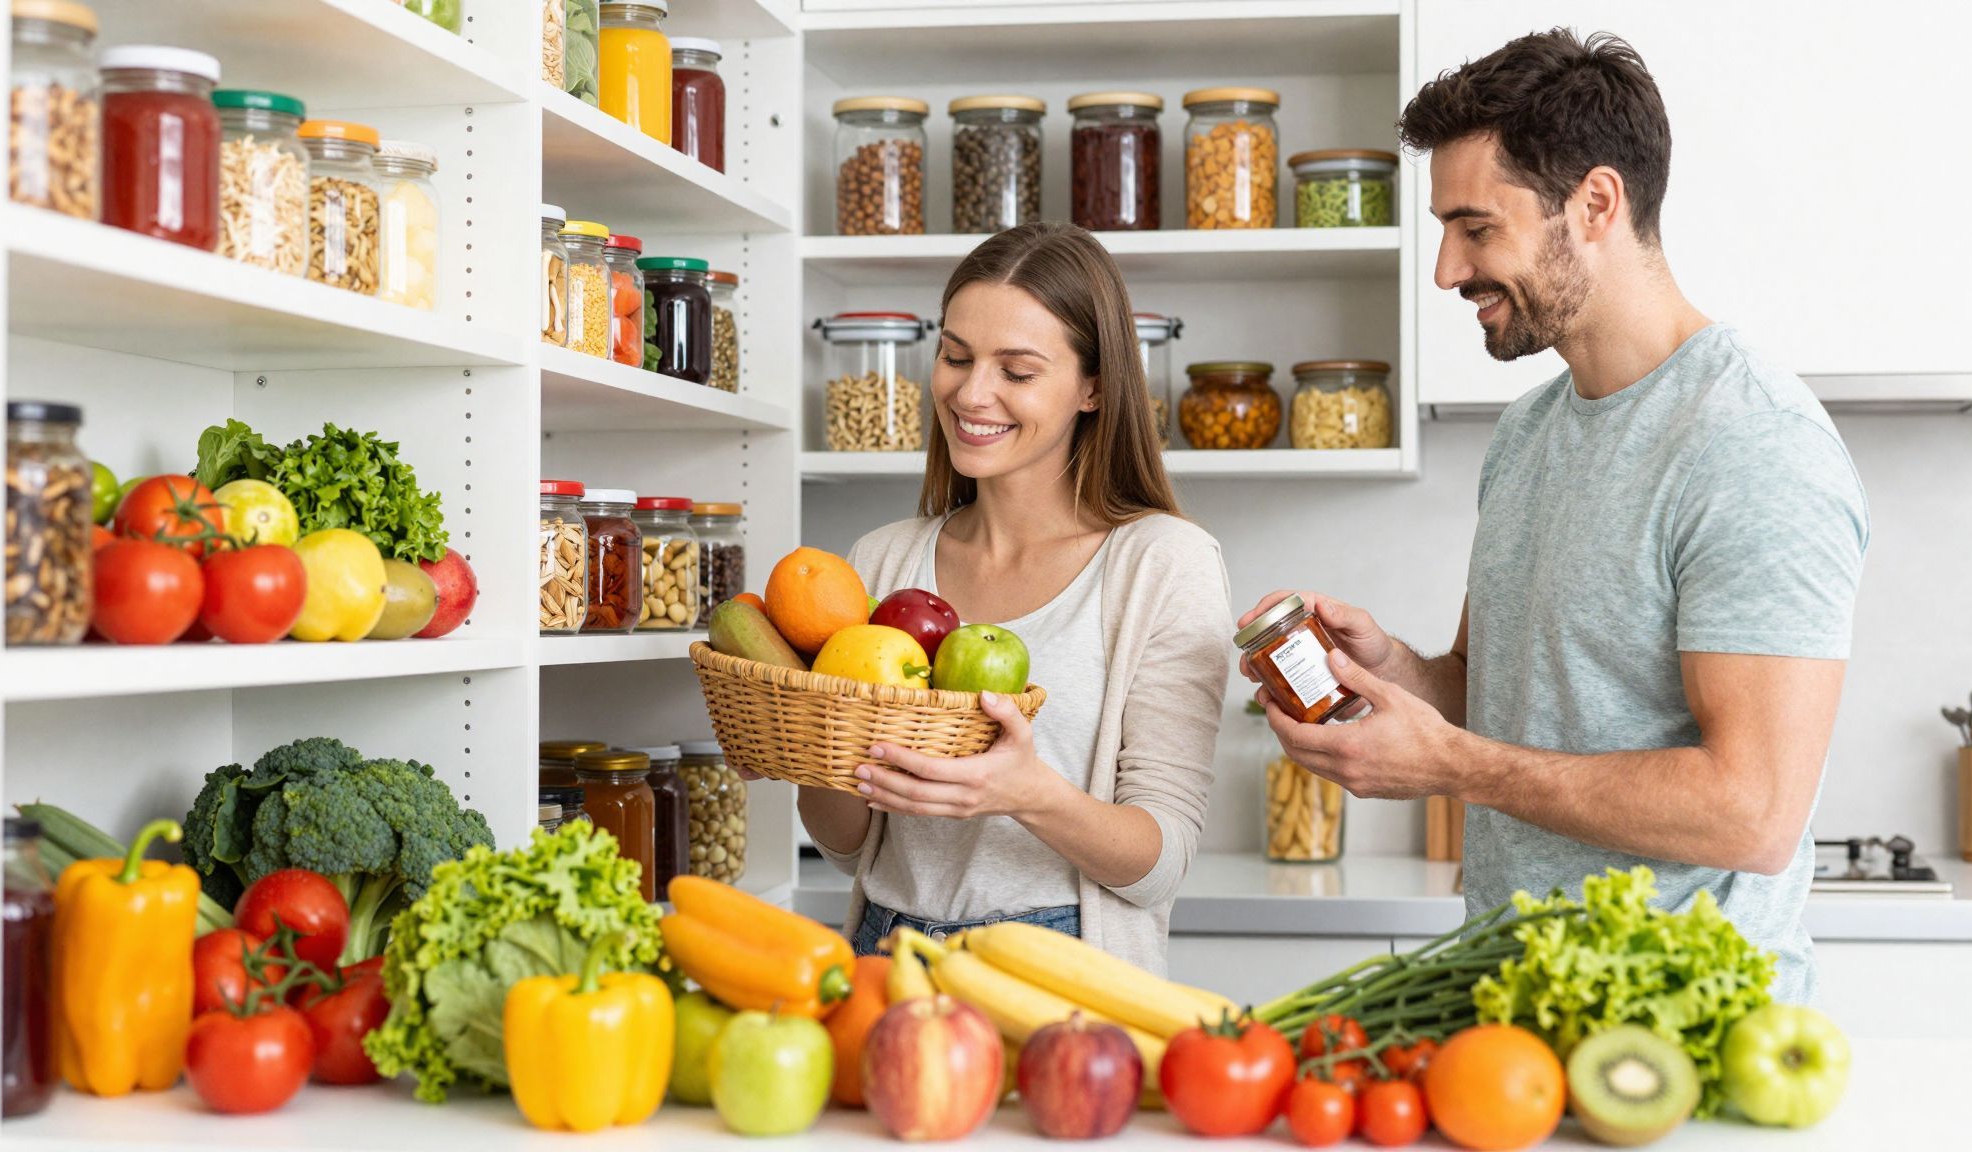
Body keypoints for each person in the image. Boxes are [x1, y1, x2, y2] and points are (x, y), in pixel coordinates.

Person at [1243, 30, 1869, 1002]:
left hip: (1674, 1033)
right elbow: (1499, 699)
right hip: (1504, 1004)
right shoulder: (1528, 432)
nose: (1445, 269)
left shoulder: (1750, 444)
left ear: (1594, 204)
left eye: (1475, 228)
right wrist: (1394, 673)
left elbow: (1751, 811)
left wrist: (1449, 766)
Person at [801, 223, 1234, 974]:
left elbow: (1161, 862)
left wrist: (1030, 794)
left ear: (1094, 387)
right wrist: (810, 744)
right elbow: (843, 845)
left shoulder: (1163, 565)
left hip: (1064, 969)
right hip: (884, 957)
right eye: (956, 356)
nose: (971, 393)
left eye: (1018, 371)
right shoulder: (881, 560)